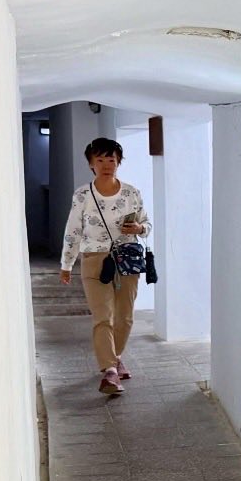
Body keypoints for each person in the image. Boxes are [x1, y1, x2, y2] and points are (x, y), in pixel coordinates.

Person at [59, 137, 151, 395]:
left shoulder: (131, 193)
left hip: (126, 259)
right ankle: (110, 371)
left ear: (119, 162)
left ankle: (116, 357)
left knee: (125, 317)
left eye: (111, 159)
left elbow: (146, 225)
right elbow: (73, 230)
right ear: (91, 164)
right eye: (100, 160)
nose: (106, 165)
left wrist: (138, 228)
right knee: (102, 317)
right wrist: (67, 263)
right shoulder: (83, 195)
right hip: (94, 260)